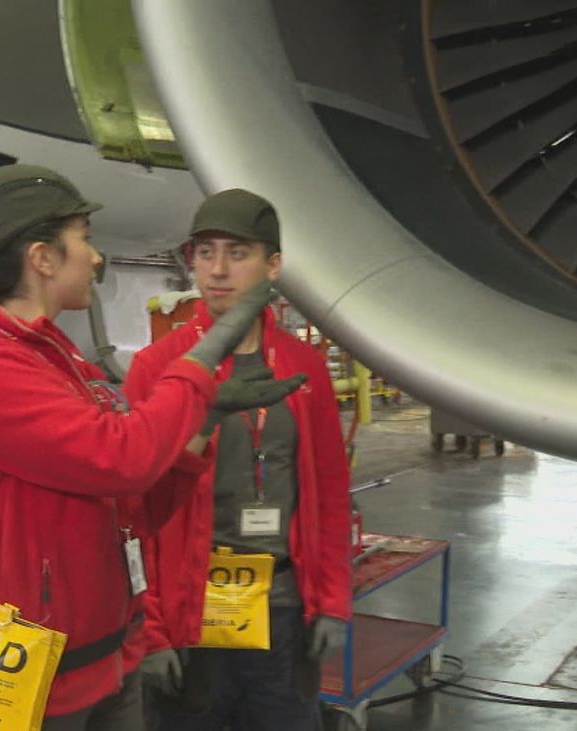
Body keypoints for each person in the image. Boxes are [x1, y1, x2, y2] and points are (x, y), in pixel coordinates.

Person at [0, 166, 305, 731]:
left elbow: (133, 503)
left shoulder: (62, 363)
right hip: (38, 681)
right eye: (84, 240)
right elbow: (122, 458)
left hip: (107, 660)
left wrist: (202, 420)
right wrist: (200, 365)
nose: (96, 258)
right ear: (43, 258)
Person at [124, 189, 353, 730]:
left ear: (273, 264)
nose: (218, 270)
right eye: (205, 253)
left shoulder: (303, 367)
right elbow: (135, 514)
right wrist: (150, 629)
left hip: (282, 611)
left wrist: (334, 598)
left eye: (238, 252)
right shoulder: (159, 368)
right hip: (189, 613)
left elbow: (329, 491)